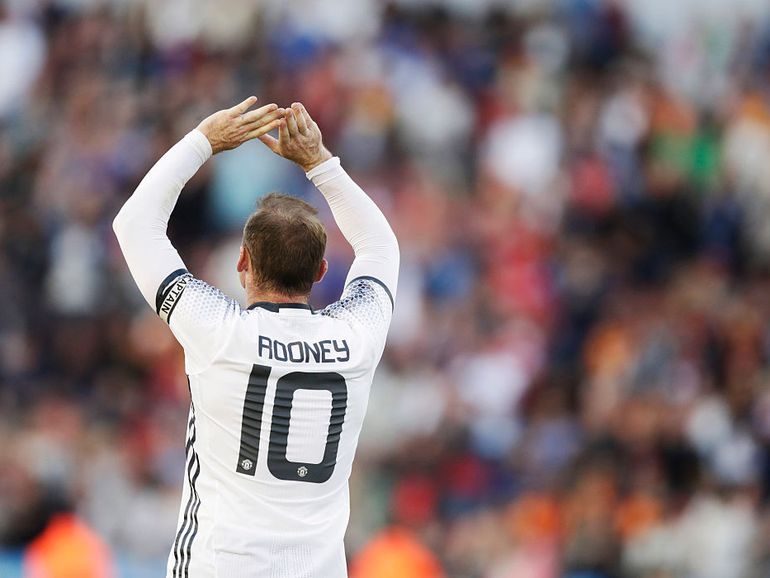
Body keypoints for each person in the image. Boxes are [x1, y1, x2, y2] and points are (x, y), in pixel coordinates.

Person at [112, 97, 399, 578]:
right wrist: (320, 164)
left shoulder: (217, 330)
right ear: (322, 271)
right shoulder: (356, 338)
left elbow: (135, 225)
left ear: (242, 262)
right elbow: (379, 246)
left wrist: (204, 140)